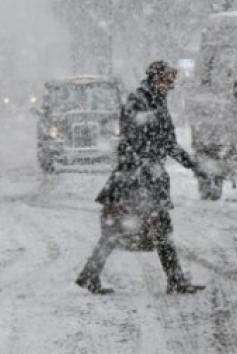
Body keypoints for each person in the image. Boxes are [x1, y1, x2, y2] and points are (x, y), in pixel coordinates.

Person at [76, 61, 206, 295]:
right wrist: (143, 166)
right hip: (135, 179)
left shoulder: (157, 102)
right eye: (167, 81)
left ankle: (90, 275)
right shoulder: (138, 102)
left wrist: (192, 164)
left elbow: (168, 143)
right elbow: (131, 141)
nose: (170, 86)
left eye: (171, 83)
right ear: (155, 80)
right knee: (125, 229)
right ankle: (91, 274)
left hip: (146, 177)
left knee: (153, 227)